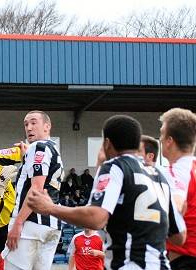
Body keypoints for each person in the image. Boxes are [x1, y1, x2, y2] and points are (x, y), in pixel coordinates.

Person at [27, 114, 186, 270]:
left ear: (107, 143)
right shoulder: (159, 174)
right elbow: (179, 237)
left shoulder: (116, 166)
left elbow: (96, 218)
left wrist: (50, 208)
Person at [3, 110, 64, 270]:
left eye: (33, 122)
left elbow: (36, 188)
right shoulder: (53, 148)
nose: (29, 127)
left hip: (31, 224)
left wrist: (18, 223)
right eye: (26, 124)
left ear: (47, 126)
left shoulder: (39, 147)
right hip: (50, 226)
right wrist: (26, 157)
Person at [159, 108, 196, 269]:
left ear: (169, 141)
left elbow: (177, 203)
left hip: (186, 259)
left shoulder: (175, 172)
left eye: (161, 134)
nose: (159, 139)